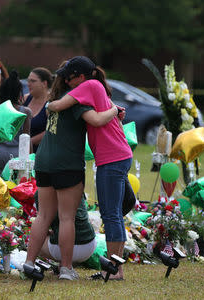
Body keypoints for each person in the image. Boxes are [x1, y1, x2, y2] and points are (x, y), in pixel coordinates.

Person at [24, 61, 119, 280]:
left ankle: (29, 263)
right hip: (67, 163)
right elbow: (95, 121)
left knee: (44, 215)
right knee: (67, 218)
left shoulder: (54, 98)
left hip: (43, 160)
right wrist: (114, 110)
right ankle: (66, 269)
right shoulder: (78, 99)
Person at [47, 56, 132, 280]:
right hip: (117, 156)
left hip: (112, 158)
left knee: (111, 214)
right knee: (113, 214)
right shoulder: (96, 86)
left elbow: (57, 105)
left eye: (69, 78)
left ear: (81, 77)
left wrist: (48, 104)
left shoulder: (88, 85)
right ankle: (116, 269)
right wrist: (114, 110)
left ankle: (113, 270)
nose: (66, 82)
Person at [37, 193, 97, 265]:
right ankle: (67, 266)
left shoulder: (42, 192)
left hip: (64, 248)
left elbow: (43, 225)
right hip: (90, 245)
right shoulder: (76, 185)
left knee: (36, 240)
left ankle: (65, 266)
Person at [0, 70, 32, 175]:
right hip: (18, 154)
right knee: (17, 185)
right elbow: (26, 137)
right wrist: (31, 157)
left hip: (0, 152)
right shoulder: (25, 112)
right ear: (19, 92)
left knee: (1, 185)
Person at [23, 67, 53, 153]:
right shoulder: (25, 99)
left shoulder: (52, 104)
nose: (28, 84)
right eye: (28, 81)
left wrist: (29, 141)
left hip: (42, 152)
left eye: (32, 81)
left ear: (44, 83)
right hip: (23, 151)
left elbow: (51, 130)